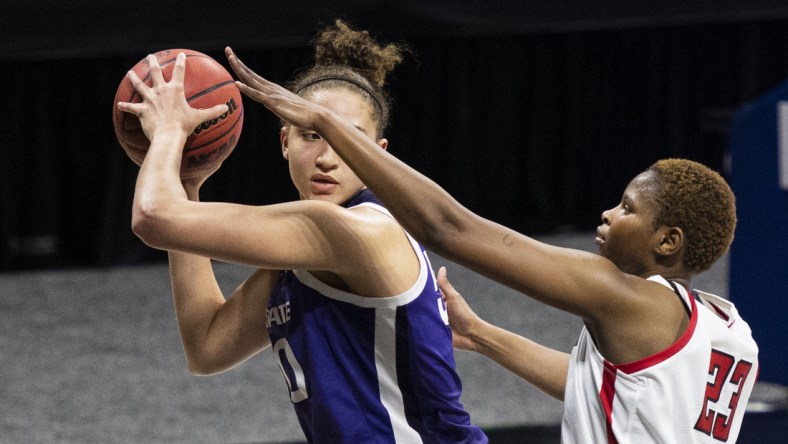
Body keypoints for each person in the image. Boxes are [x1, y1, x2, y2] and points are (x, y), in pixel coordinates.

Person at [225, 47, 760, 443]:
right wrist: (481, 334)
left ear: (668, 241)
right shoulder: (727, 329)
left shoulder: (620, 295)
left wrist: (324, 122)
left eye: (627, 208)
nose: (607, 213)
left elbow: (449, 228)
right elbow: (594, 386)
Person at [117, 20, 488, 443]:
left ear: (377, 156)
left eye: (349, 139)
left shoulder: (352, 231)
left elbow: (152, 217)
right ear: (284, 143)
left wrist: (168, 132)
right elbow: (207, 346)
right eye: (312, 135)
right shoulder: (305, 254)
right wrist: (187, 182)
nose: (328, 157)